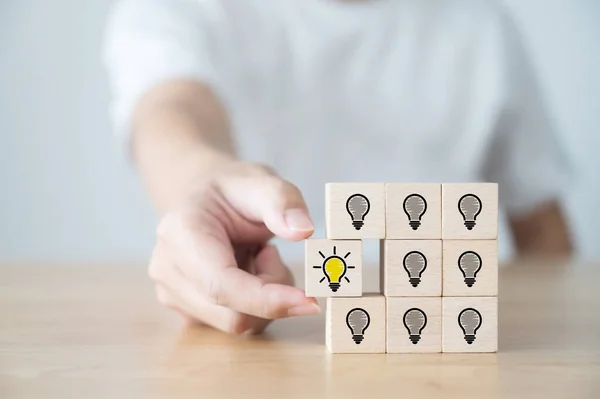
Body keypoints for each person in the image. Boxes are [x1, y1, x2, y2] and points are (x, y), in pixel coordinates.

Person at [103, 0, 572, 335]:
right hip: (283, 340)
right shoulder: (177, 10)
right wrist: (202, 184)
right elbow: (172, 110)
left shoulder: (481, 24)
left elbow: (543, 230)